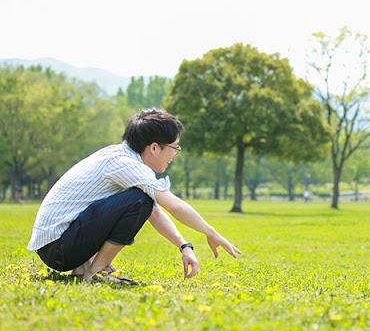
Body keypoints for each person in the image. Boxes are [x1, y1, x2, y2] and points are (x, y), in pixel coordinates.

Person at [27, 108, 241, 284]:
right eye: (175, 148)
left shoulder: (120, 158)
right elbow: (172, 206)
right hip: (59, 249)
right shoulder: (126, 164)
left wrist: (184, 246)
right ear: (155, 147)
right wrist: (211, 233)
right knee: (140, 201)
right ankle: (96, 271)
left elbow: (154, 213)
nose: (175, 155)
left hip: (57, 247)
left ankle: (86, 268)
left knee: (143, 201)